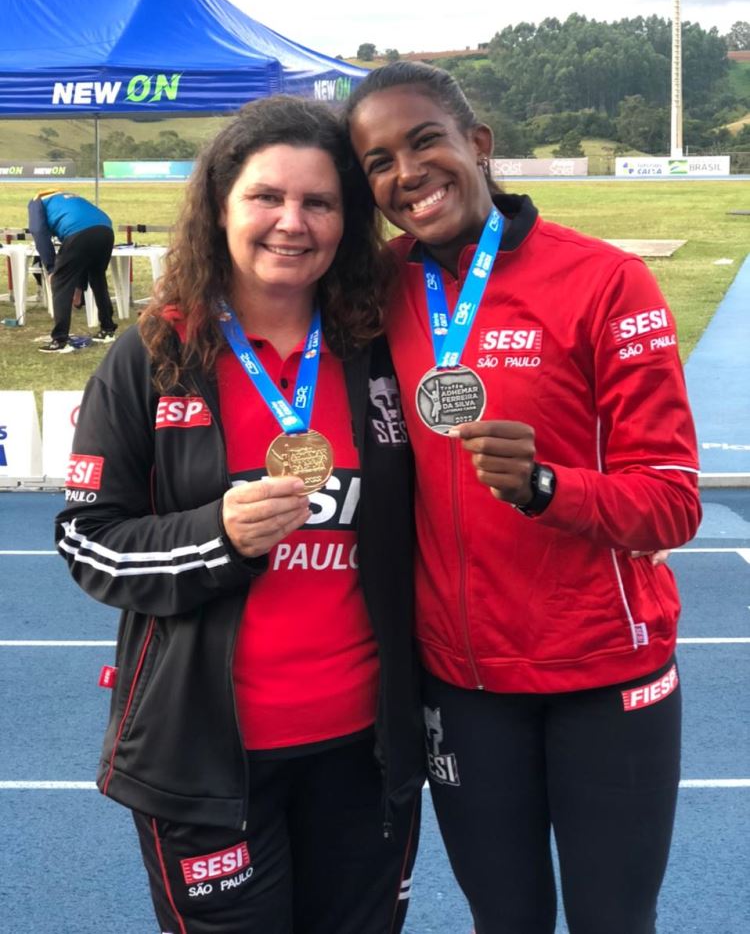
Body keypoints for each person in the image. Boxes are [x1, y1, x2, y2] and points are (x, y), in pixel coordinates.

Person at [346, 62, 702, 934]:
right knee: (504, 922)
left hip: (604, 674)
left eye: (426, 139)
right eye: (378, 161)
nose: (408, 172)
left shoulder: (605, 281)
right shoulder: (374, 290)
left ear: (478, 144)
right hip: (463, 684)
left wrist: (549, 488)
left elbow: (671, 501)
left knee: (613, 921)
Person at [54, 97, 423, 934]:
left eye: (319, 202)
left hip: (366, 756)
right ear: (221, 205)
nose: (292, 223)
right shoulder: (154, 354)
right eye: (266, 197)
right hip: (205, 760)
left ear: (346, 220)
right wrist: (213, 538)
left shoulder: (380, 351)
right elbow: (86, 541)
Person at [28, 188, 117, 353]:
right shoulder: (69, 197)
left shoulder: (36, 202)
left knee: (60, 282)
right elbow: (82, 258)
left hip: (78, 232)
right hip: (105, 230)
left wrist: (51, 267)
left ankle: (60, 340)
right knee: (97, 277)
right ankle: (107, 329)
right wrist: (79, 287)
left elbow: (38, 231)